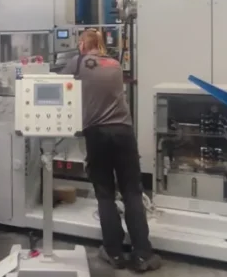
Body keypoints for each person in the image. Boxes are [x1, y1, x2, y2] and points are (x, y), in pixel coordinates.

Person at [61, 29, 161, 272]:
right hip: (124, 131)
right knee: (132, 192)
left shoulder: (78, 63)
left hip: (97, 134)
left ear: (83, 44)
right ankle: (143, 254)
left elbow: (56, 82)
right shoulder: (115, 64)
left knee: (105, 193)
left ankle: (114, 252)